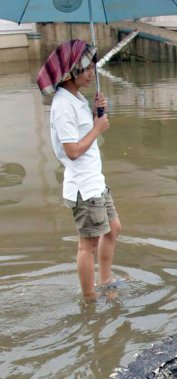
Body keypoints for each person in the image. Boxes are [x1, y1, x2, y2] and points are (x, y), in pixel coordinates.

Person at [37, 40, 122, 299]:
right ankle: (89, 297)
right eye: (86, 68)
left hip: (95, 181)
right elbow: (72, 151)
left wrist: (97, 114)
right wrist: (97, 128)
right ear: (71, 71)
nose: (90, 74)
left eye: (92, 68)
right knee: (88, 244)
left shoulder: (76, 99)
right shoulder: (63, 104)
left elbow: (84, 135)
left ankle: (105, 280)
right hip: (84, 187)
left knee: (113, 228)